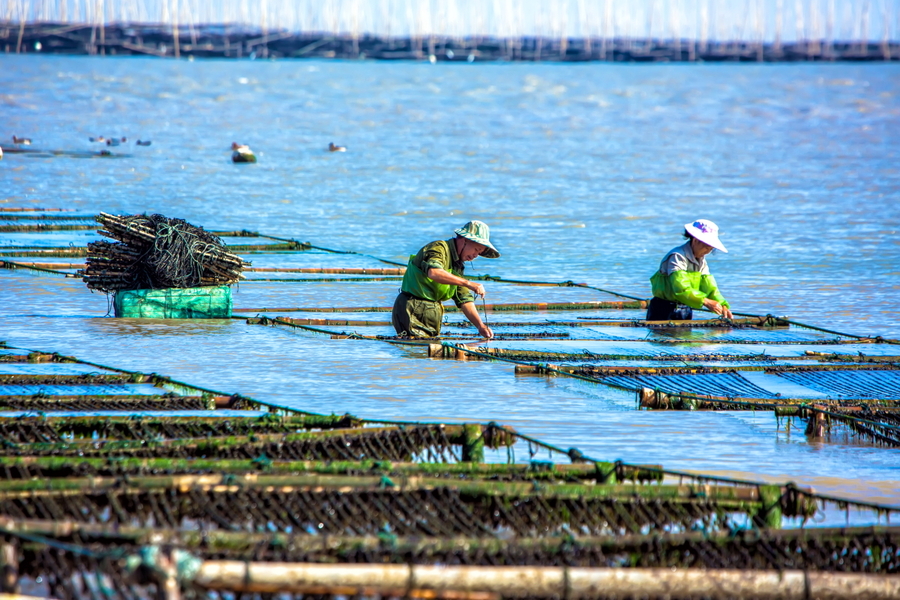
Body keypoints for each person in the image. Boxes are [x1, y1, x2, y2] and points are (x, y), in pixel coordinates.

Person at [392, 220, 499, 339]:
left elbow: (464, 299)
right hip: (412, 310)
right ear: (465, 240)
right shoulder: (439, 248)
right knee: (415, 350)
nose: (475, 255)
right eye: (476, 249)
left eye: (479, 253)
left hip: (432, 314)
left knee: (426, 353)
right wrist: (468, 283)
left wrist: (480, 326)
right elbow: (434, 272)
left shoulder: (457, 264)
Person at [648, 219, 733, 321]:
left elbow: (710, 288)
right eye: (706, 248)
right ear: (696, 240)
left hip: (685, 308)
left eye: (710, 250)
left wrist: (722, 305)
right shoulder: (677, 256)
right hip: (663, 309)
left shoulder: (701, 261)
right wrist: (705, 301)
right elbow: (680, 289)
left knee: (685, 336)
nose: (707, 252)